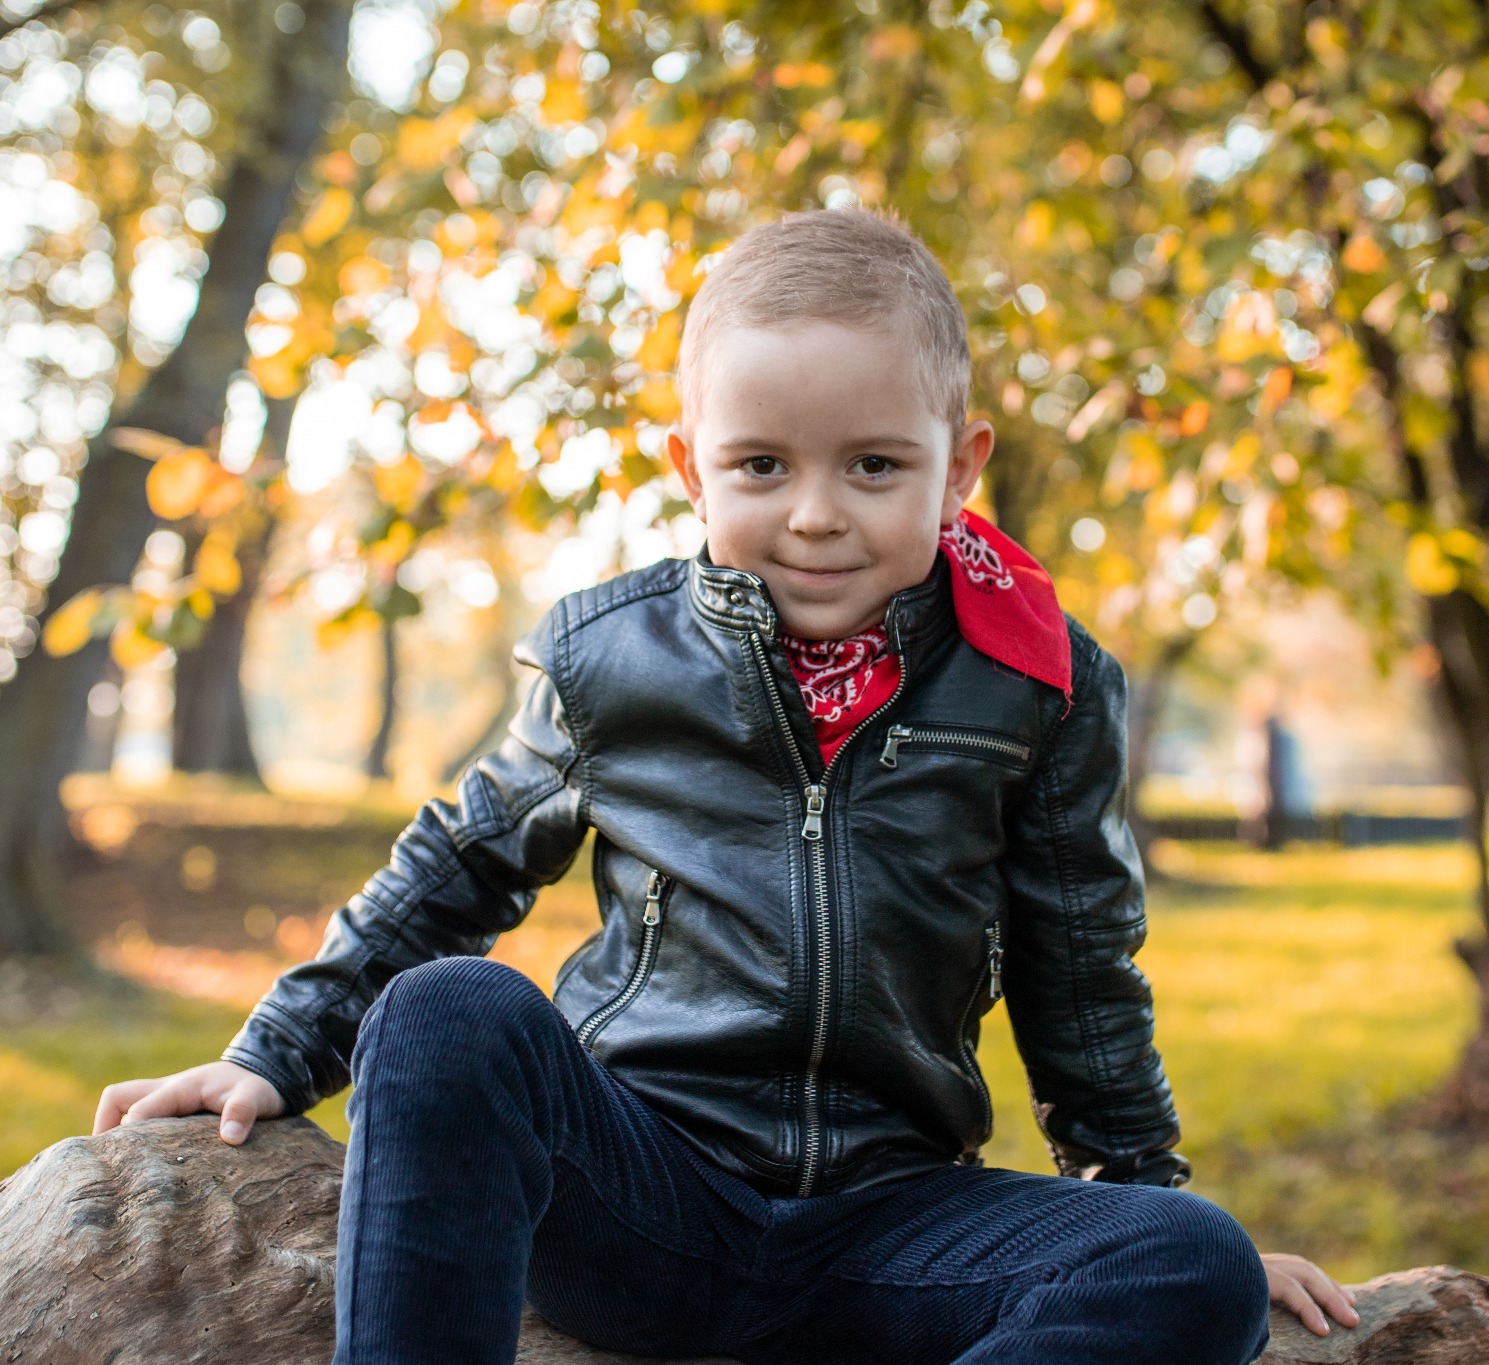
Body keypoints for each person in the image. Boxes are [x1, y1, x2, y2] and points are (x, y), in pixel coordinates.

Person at [92, 209, 1360, 1365]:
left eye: (873, 466)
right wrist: (274, 1049)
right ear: (691, 468)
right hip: (638, 1197)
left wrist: (1137, 1186)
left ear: (959, 465)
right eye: (761, 467)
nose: (815, 514)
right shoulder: (610, 657)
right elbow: (454, 865)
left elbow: (1080, 968)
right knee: (448, 1010)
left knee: (1190, 1268)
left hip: (888, 1224)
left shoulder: (1034, 686)